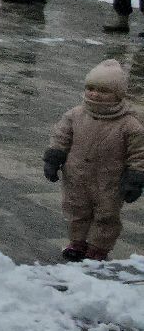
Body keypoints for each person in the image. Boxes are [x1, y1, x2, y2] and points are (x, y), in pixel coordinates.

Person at [44, 59, 144, 262]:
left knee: (106, 214)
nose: (95, 94)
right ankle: (77, 242)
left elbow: (139, 152)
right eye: (91, 88)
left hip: (110, 179)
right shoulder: (75, 115)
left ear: (118, 94)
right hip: (77, 175)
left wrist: (136, 175)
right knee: (76, 210)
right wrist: (54, 157)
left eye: (103, 90)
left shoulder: (129, 123)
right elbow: (61, 137)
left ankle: (99, 247)